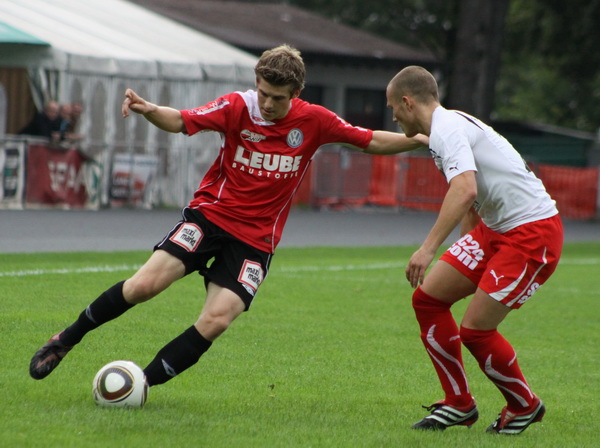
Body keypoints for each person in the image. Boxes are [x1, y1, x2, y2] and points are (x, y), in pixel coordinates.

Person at [29, 45, 426, 394]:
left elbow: (370, 140)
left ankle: (139, 385)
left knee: (217, 320)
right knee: (143, 286)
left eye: (278, 98)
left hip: (256, 241)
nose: (267, 104)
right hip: (210, 218)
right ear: (256, 83)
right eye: (263, 93)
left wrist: (421, 138)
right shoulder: (237, 107)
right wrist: (150, 110)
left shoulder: (315, 120)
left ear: (296, 94)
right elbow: (181, 120)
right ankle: (66, 339)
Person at [386, 66, 563, 435]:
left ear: (407, 102)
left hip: (531, 234)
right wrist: (468, 251)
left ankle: (524, 406)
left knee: (476, 332)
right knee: (428, 301)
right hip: (494, 230)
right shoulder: (444, 129)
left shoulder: (446, 129)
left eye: (393, 108)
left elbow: (465, 189)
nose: (393, 117)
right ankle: (459, 403)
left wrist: (427, 249)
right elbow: (472, 199)